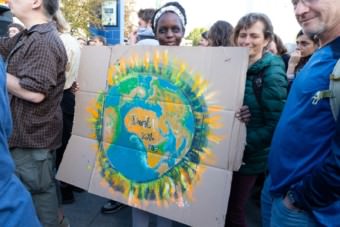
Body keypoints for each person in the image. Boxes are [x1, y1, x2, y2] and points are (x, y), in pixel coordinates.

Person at [262, 0, 340, 226]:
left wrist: (300, 198)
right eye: (295, 2)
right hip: (278, 189)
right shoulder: (323, 51)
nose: (299, 11)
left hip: (305, 210)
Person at [0, 0, 68, 226]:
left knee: (39, 199)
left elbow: (34, 93)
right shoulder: (28, 36)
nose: (9, 0)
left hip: (31, 140)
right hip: (26, 138)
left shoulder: (42, 41)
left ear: (36, 2)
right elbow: (3, 46)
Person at [226, 13, 287, 227]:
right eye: (243, 35)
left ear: (267, 39)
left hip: (248, 156)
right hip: (226, 150)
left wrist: (241, 144)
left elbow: (275, 125)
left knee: (234, 209)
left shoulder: (272, 72)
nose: (246, 41)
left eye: (254, 35)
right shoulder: (233, 65)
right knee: (220, 207)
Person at [0, 56, 42, 227]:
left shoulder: (42, 41)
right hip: (10, 204)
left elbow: (37, 94)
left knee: (42, 188)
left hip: (33, 134)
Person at [53, 10, 81, 205]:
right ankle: (71, 183)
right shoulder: (72, 40)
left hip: (58, 96)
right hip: (69, 96)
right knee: (69, 142)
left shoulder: (57, 42)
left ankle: (65, 187)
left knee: (61, 145)